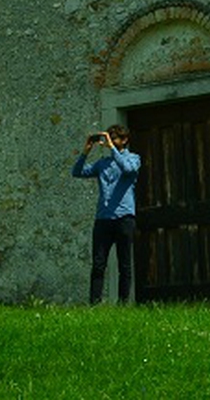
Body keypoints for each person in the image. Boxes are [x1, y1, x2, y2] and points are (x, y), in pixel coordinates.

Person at [71, 123, 141, 305]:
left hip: (124, 218)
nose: (109, 140)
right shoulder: (102, 164)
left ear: (124, 140)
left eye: (114, 137)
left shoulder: (133, 158)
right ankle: (94, 303)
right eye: (108, 137)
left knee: (124, 265)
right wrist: (85, 151)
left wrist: (112, 149)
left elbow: (128, 169)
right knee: (98, 264)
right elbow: (77, 172)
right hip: (103, 219)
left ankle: (123, 303)